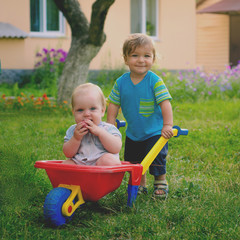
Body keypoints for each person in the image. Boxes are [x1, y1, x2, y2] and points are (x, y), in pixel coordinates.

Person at [107, 33, 173, 198]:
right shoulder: (121, 82)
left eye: (146, 56)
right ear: (126, 58)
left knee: (156, 157)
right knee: (134, 161)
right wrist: (110, 123)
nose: (141, 60)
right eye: (135, 55)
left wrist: (167, 125)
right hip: (133, 133)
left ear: (153, 58)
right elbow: (114, 103)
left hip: (155, 132)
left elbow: (165, 103)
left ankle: (160, 181)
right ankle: (140, 184)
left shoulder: (154, 81)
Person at [62, 83, 122, 166]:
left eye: (92, 109)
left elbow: (116, 148)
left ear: (102, 111)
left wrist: (100, 132)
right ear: (73, 112)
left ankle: (105, 178)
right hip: (80, 165)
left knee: (108, 160)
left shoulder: (108, 128)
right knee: (66, 164)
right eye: (80, 110)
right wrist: (76, 138)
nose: (86, 114)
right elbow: (67, 154)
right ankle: (76, 179)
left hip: (101, 168)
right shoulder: (73, 131)